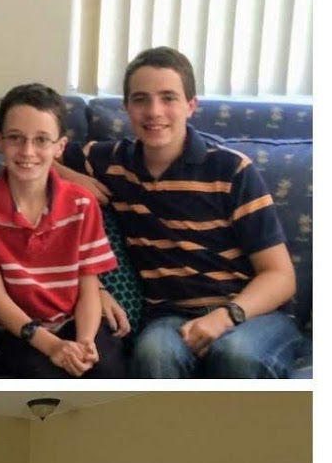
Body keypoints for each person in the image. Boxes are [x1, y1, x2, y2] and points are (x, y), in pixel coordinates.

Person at [59, 46, 300, 378]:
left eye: (168, 98)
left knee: (236, 354)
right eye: (141, 99)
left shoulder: (232, 171)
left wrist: (226, 316)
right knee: (154, 354)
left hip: (250, 312)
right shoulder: (111, 161)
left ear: (191, 105)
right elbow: (37, 155)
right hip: (169, 316)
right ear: (126, 107)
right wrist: (72, 178)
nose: (154, 111)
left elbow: (281, 276)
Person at [0, 83, 125, 377]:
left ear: (59, 146)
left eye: (41, 140)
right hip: (19, 330)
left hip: (76, 320)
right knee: (41, 378)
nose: (27, 151)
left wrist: (85, 342)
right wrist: (51, 346)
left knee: (107, 369)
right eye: (15, 138)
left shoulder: (81, 203)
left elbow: (89, 288)